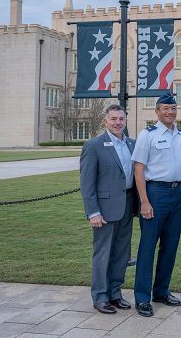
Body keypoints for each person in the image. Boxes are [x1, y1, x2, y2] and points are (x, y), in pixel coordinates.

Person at [131, 92, 181, 318]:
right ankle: (142, 298)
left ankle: (161, 291)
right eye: (166, 108)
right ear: (157, 111)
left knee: (170, 246)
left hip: (177, 195)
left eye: (174, 108)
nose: (170, 112)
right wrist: (144, 201)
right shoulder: (148, 135)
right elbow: (139, 169)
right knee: (148, 247)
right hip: (155, 193)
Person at [80, 104, 136, 314]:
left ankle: (115, 293)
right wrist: (93, 212)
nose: (117, 123)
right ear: (105, 121)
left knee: (122, 254)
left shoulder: (132, 144)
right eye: (113, 119)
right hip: (104, 210)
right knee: (103, 253)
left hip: (127, 206)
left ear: (125, 121)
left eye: (121, 119)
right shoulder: (94, 146)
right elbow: (87, 183)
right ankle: (100, 296)